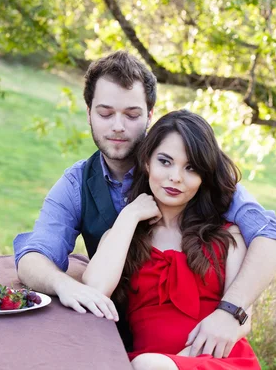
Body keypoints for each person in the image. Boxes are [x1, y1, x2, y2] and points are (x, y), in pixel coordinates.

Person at [14, 51, 276, 355]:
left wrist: (230, 311)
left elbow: (271, 236)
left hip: (194, 346)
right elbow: (33, 257)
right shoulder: (75, 183)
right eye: (105, 113)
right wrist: (65, 285)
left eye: (132, 115)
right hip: (109, 331)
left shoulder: (188, 174)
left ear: (149, 115)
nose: (118, 126)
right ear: (89, 112)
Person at [83, 110, 260, 369]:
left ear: (204, 176)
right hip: (146, 364)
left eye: (190, 168)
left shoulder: (227, 235)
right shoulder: (122, 235)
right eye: (165, 162)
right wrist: (130, 215)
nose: (176, 177)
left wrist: (185, 358)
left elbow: (243, 319)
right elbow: (95, 291)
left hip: (220, 360)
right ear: (146, 162)